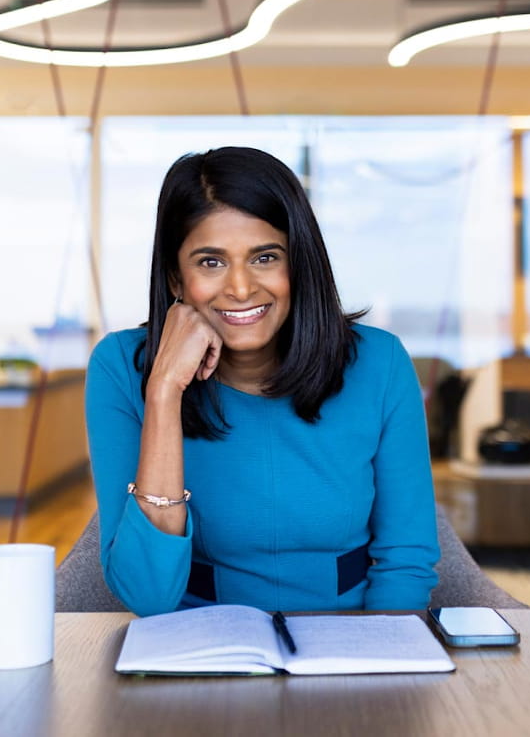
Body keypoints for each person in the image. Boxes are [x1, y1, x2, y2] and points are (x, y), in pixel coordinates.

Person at [85, 146, 439, 616]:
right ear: (175, 278)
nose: (240, 288)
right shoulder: (121, 367)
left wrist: (378, 655)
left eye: (265, 257)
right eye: (211, 262)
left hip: (353, 648)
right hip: (198, 650)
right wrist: (165, 390)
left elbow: (405, 562)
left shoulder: (380, 363)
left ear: (298, 264)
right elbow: (146, 596)